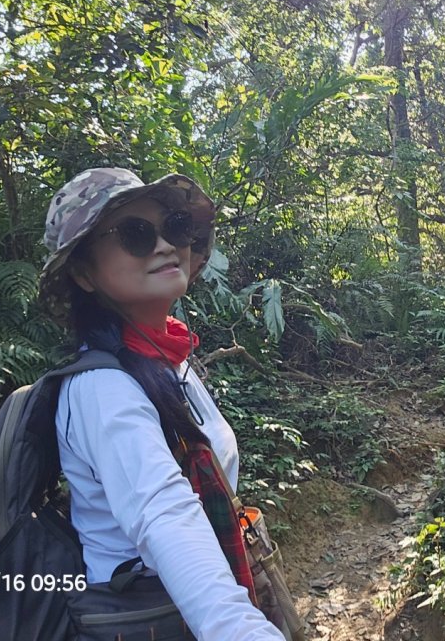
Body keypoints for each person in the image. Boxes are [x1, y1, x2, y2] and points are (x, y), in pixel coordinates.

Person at [37, 167, 285, 640]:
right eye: (135, 234)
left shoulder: (168, 360)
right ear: (84, 274)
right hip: (151, 616)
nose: (166, 245)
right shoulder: (102, 389)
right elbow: (164, 514)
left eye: (175, 227)